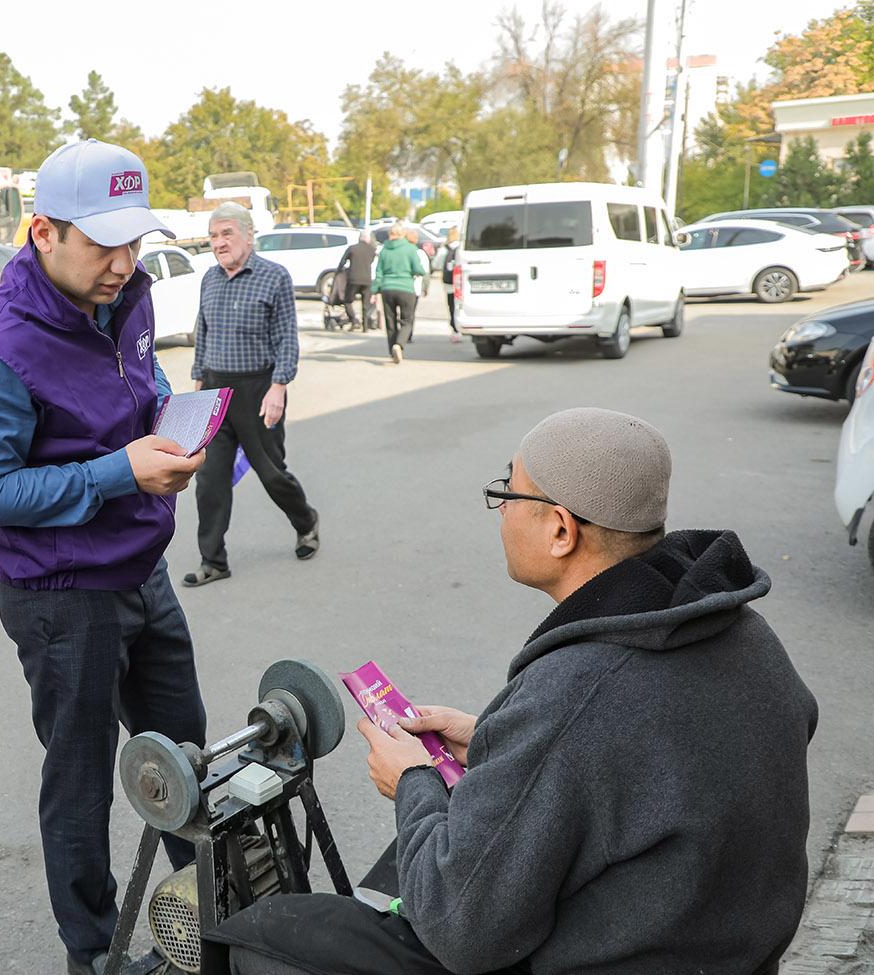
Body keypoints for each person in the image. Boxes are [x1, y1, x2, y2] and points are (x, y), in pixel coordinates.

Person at [208, 407, 818, 975]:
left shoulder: (575, 694)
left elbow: (462, 930)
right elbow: (649, 753)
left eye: (509, 492)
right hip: (723, 936)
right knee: (415, 859)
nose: (500, 508)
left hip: (624, 952)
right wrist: (494, 740)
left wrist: (414, 781)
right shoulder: (738, 627)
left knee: (265, 934)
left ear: (560, 530)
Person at [0, 139, 209, 975]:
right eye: (103, 244)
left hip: (141, 567)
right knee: (83, 783)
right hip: (62, 596)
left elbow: (141, 385)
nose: (124, 263)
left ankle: (216, 917)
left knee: (187, 759)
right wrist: (119, 469)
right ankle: (93, 952)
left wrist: (169, 417)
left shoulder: (122, 296)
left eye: (134, 242)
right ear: (43, 231)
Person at [183, 202, 320, 588]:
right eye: (213, 236)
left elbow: (285, 339)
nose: (219, 243)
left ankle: (306, 521)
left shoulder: (273, 277)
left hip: (259, 389)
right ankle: (213, 561)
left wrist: (279, 387)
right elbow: (203, 335)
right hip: (215, 390)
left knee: (271, 472)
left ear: (248, 234)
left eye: (226, 233)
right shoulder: (209, 278)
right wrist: (198, 387)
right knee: (209, 479)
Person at [373, 224, 423, 364]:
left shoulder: (384, 250)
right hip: (406, 288)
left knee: (390, 321)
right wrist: (416, 273)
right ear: (402, 234)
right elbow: (418, 269)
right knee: (407, 320)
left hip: (387, 288)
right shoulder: (410, 249)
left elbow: (379, 272)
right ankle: (399, 345)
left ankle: (391, 351)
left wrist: (375, 289)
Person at [334, 230, 378, 331]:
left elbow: (342, 262)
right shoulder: (372, 250)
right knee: (366, 304)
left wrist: (338, 272)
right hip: (367, 280)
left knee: (347, 301)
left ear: (360, 238)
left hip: (353, 279)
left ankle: (354, 321)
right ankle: (365, 327)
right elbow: (372, 261)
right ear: (368, 239)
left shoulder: (352, 248)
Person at [442, 226, 462, 344]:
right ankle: (459, 328)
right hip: (459, 282)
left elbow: (437, 263)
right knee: (458, 306)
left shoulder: (445, 249)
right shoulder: (460, 247)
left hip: (448, 283)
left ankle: (454, 329)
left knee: (451, 306)